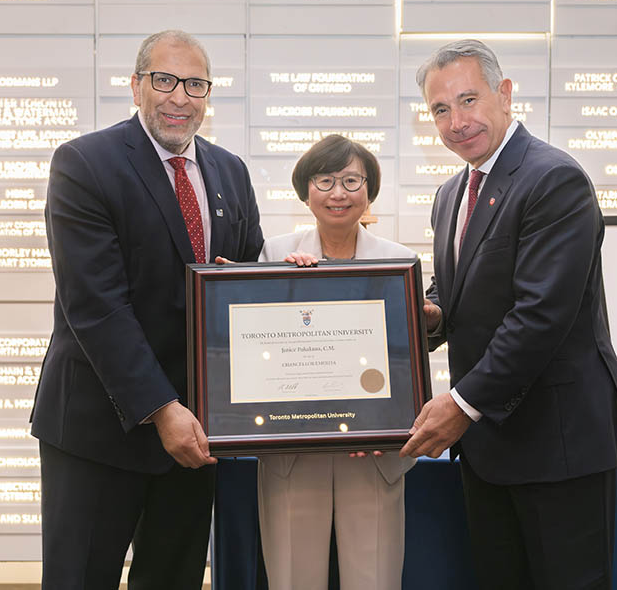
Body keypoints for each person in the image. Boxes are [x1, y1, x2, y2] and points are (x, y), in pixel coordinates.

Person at [31, 29, 263, 589]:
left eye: (195, 84)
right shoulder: (85, 163)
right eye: (164, 80)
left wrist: (291, 283)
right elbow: (96, 305)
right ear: (136, 86)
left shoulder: (229, 169)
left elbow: (244, 279)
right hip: (99, 428)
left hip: (195, 435)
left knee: (174, 579)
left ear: (209, 94)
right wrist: (162, 409)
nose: (179, 97)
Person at [400, 39, 617, 589]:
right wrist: (428, 316)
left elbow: (540, 315)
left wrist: (461, 403)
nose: (456, 121)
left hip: (558, 443)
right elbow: (457, 294)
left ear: (504, 95)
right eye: (440, 109)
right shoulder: (451, 193)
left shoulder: (553, 178)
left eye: (468, 100)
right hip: (489, 447)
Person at [256, 134, 416, 590]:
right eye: (324, 180)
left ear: (370, 190)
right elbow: (261, 351)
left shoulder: (399, 262)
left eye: (351, 180)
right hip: (294, 450)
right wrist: (280, 286)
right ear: (306, 191)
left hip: (372, 451)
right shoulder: (275, 255)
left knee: (375, 579)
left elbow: (405, 364)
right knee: (291, 578)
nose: (338, 192)